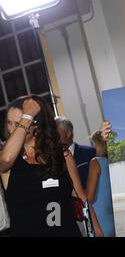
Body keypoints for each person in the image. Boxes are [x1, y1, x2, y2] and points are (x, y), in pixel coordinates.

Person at [0, 96, 103, 237]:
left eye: (17, 124)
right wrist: (27, 116)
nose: (12, 130)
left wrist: (97, 232)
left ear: (37, 124)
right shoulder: (8, 159)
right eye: (9, 123)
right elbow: (6, 159)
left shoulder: (62, 155)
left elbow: (80, 196)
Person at [87, 130, 116, 237]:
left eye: (94, 144)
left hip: (100, 223)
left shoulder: (96, 162)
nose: (93, 147)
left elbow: (89, 197)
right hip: (113, 221)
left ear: (99, 144)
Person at [55, 116, 96, 190]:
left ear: (68, 133)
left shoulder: (90, 153)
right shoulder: (52, 161)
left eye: (55, 133)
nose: (52, 137)